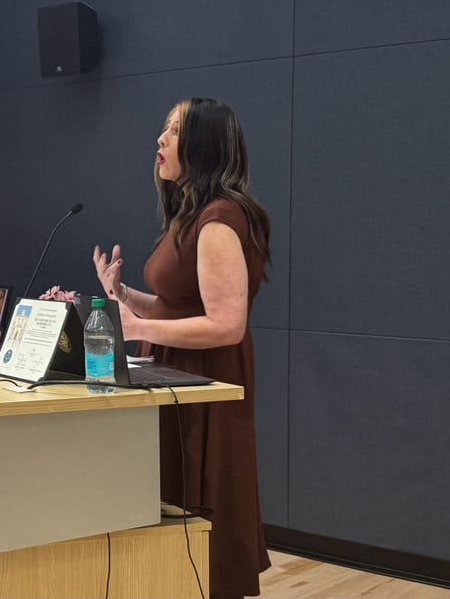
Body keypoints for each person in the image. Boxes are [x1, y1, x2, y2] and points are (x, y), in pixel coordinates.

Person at [92, 98, 271, 598]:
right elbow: (178, 307)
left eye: (174, 130)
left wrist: (134, 326)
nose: (160, 139)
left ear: (203, 145)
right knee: (173, 498)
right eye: (164, 128)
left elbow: (227, 324)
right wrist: (126, 297)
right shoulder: (190, 214)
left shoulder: (219, 219)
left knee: (202, 502)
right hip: (177, 372)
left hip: (206, 380)